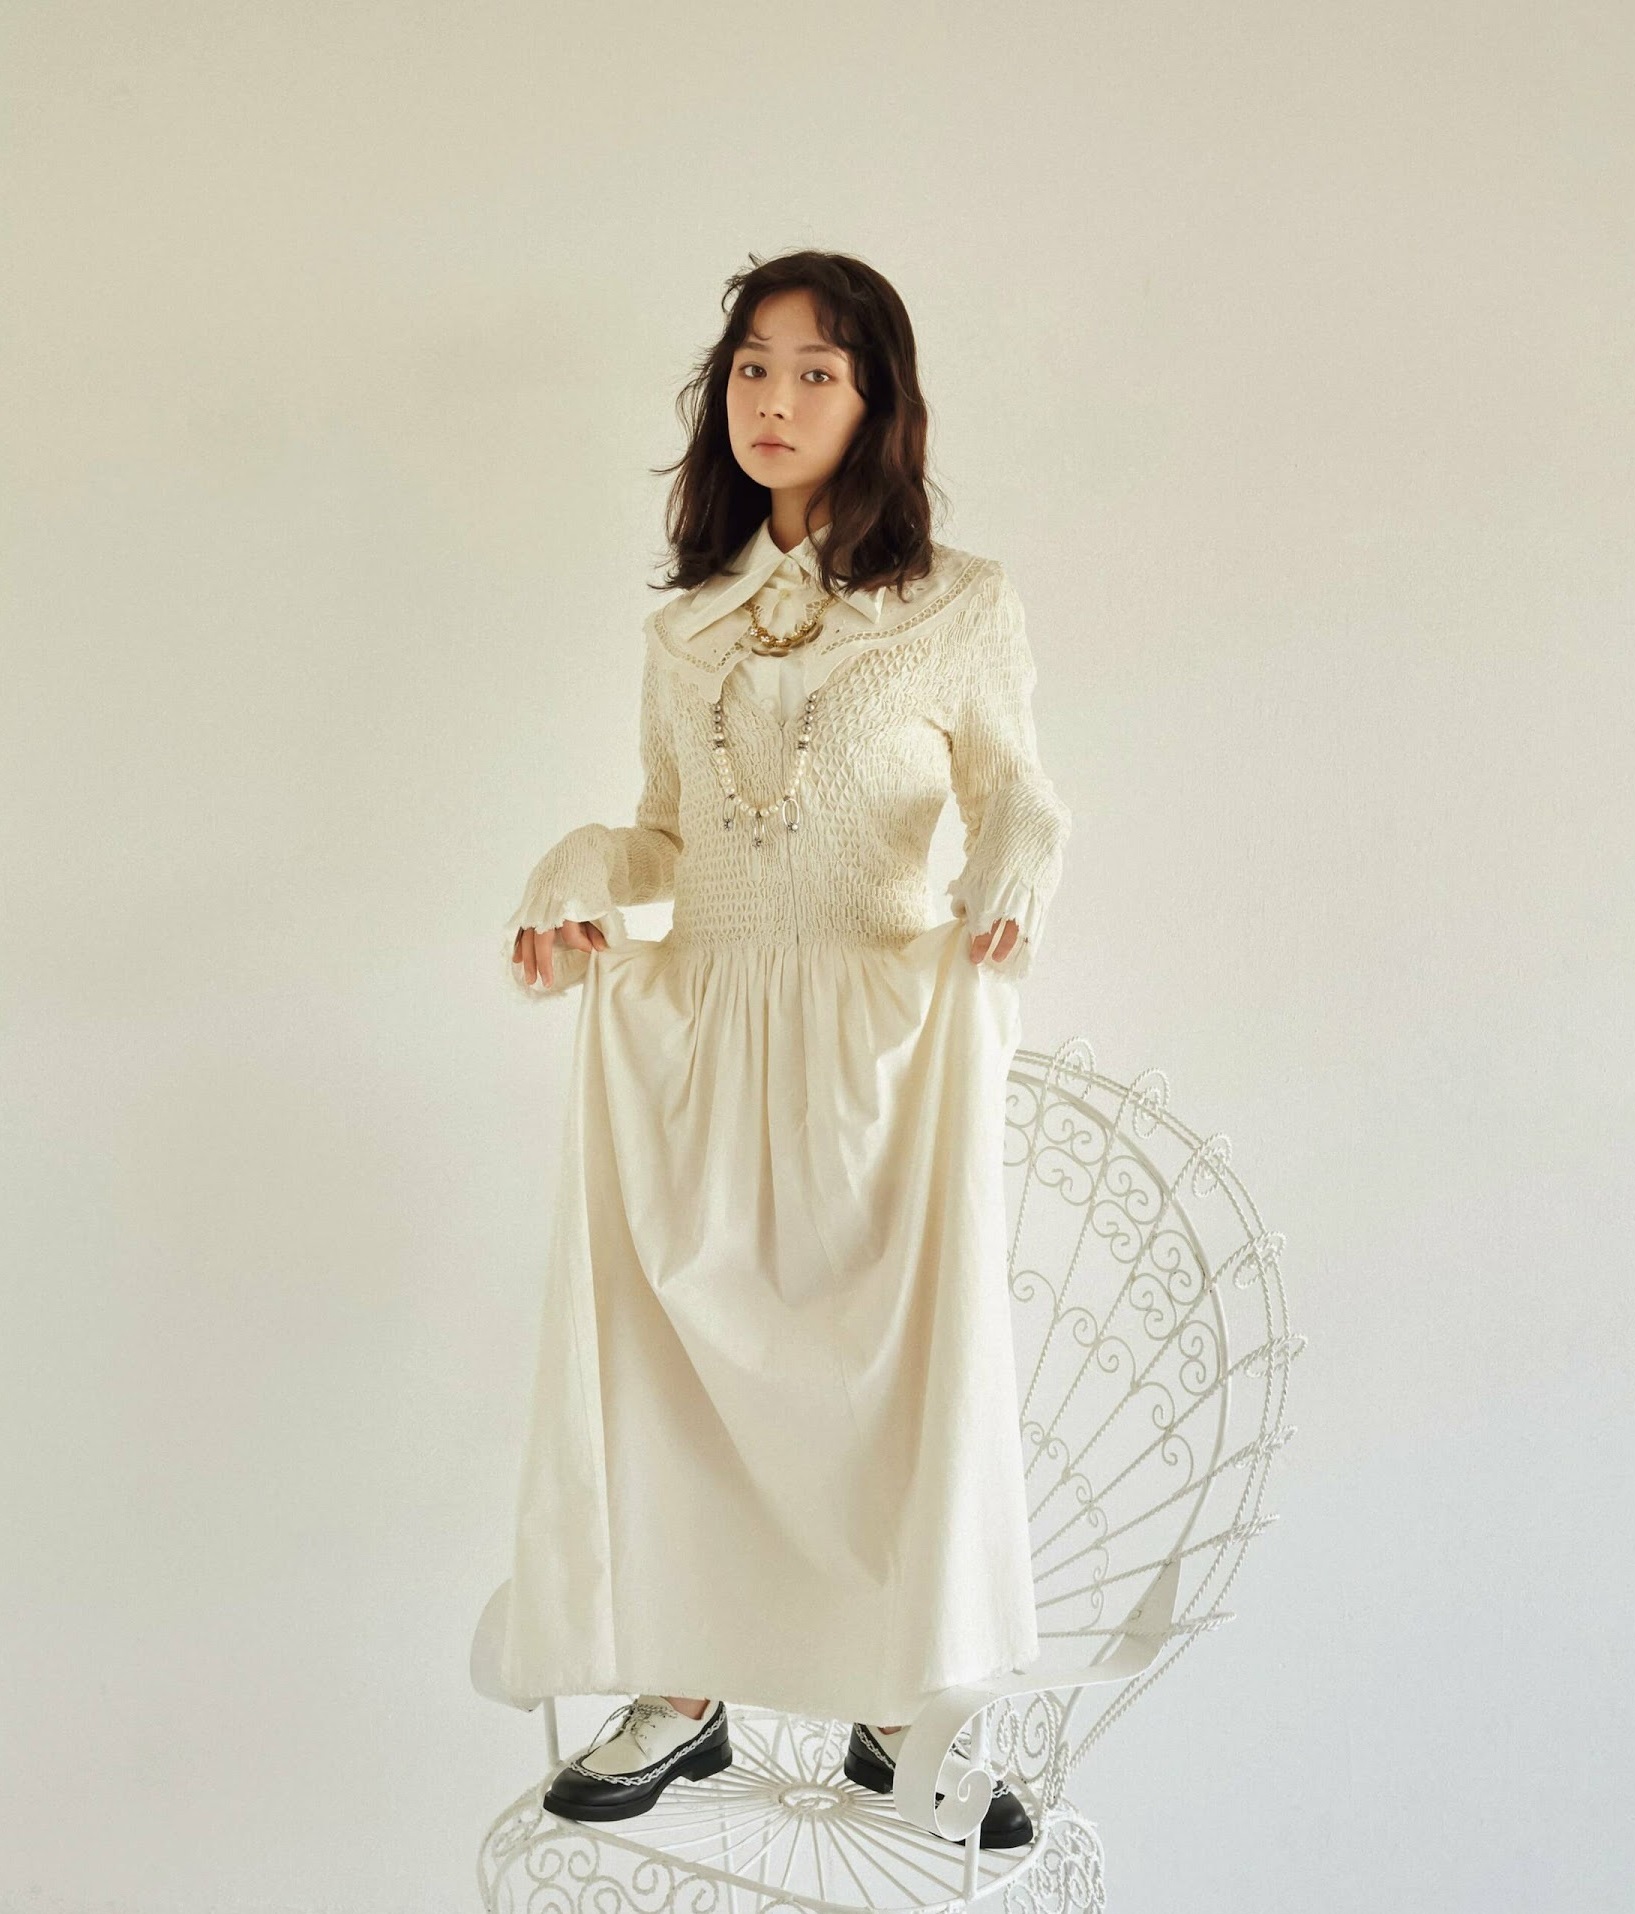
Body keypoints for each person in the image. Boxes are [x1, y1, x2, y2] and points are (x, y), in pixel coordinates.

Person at [493, 250, 1071, 1850]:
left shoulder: (960, 603)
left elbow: (1016, 787)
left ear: (876, 399)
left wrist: (1015, 863)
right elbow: (669, 837)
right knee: (673, 1362)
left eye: (818, 369)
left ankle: (895, 1708)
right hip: (701, 1034)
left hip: (877, 1041)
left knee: (879, 1379)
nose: (776, 396)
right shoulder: (687, 629)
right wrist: (578, 870)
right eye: (753, 363)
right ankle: (682, 1688)